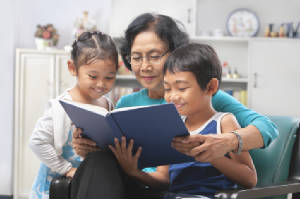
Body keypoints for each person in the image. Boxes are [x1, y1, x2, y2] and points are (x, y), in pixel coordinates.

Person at [70, 13, 278, 198]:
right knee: (97, 160)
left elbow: (267, 128)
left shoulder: (207, 97)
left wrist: (226, 142)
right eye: (136, 58)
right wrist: (88, 146)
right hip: (137, 185)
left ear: (176, 54)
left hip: (172, 191)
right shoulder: (126, 102)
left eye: (154, 56)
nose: (145, 66)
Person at [109, 43, 257, 198]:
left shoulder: (224, 122)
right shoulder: (170, 125)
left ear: (210, 87)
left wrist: (211, 155)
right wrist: (134, 172)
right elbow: (164, 179)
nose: (172, 96)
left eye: (181, 88)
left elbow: (250, 179)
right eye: (167, 89)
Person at [29, 31, 118, 199]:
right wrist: (67, 169)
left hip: (88, 185)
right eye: (93, 76)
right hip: (57, 187)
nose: (101, 84)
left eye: (109, 77)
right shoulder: (62, 106)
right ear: (72, 68)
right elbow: (37, 141)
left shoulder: (107, 104)